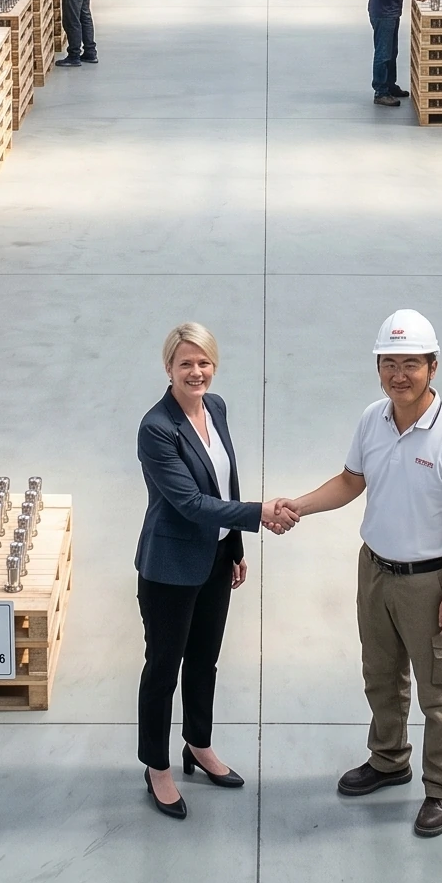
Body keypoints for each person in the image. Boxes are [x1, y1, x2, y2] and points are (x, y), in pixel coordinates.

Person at [266, 309, 442, 840]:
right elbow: (350, 481)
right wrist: (298, 505)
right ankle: (389, 760)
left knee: (438, 692)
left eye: (411, 364)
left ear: (433, 367)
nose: (399, 375)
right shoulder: (373, 420)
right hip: (375, 571)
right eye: (389, 363)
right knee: (380, 675)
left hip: (429, 581)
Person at [134, 323, 267, 820]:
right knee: (163, 669)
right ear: (168, 367)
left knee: (204, 660)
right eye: (185, 363)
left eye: (203, 362)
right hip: (170, 567)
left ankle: (198, 743)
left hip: (214, 558)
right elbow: (190, 503)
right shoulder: (156, 428)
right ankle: (157, 767)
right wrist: (259, 515)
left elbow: (225, 484)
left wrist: (233, 546)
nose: (196, 372)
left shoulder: (216, 408)